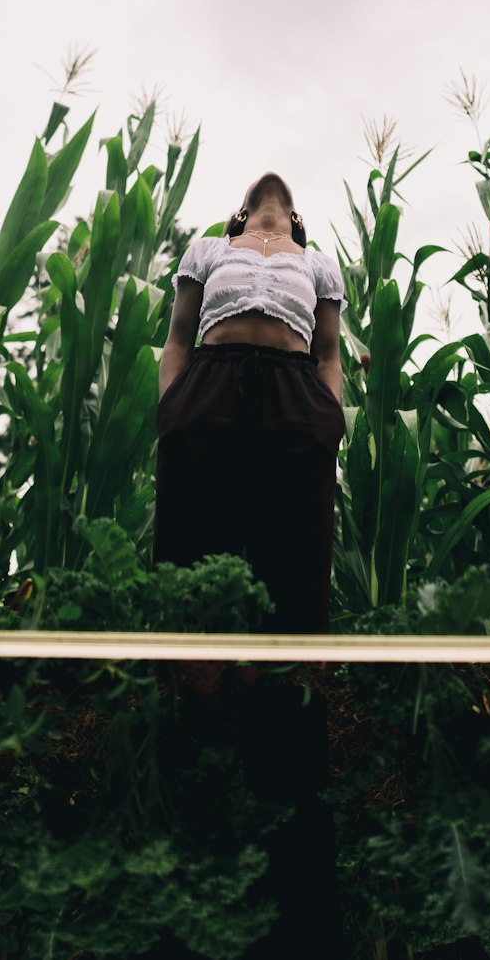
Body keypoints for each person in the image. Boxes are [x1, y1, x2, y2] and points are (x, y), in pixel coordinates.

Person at [152, 170, 348, 634]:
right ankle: (186, 683)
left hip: (294, 396)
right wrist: (174, 411)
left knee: (293, 546)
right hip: (210, 385)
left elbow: (329, 356)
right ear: (239, 214)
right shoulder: (209, 250)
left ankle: (283, 687)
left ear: (296, 218)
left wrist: (328, 424)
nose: (272, 177)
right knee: (192, 535)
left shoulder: (316, 264)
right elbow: (178, 340)